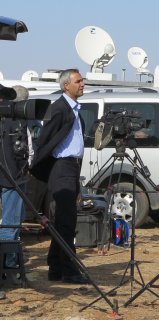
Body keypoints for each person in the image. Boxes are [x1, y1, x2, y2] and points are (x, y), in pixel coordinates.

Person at [30, 69, 88, 284]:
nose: (83, 84)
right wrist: (41, 167)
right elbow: (45, 141)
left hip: (72, 169)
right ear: (66, 86)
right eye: (78, 81)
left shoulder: (75, 110)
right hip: (61, 168)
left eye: (82, 80)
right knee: (66, 222)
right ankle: (70, 271)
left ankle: (55, 268)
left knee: (63, 221)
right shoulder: (59, 108)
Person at [0, 85, 32, 267]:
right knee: (10, 225)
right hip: (13, 179)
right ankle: (8, 266)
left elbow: (22, 151)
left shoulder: (14, 122)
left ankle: (8, 265)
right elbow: (22, 153)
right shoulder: (14, 122)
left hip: (13, 178)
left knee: (11, 225)